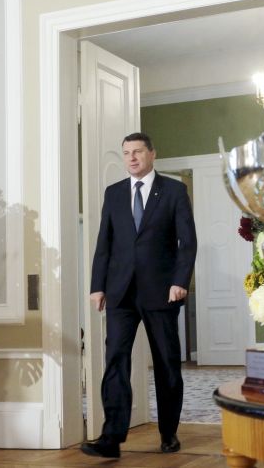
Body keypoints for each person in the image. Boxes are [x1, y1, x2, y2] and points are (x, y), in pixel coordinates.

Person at [80, 132, 197, 459]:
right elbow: (104, 244)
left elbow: (187, 242)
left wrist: (180, 281)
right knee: (115, 361)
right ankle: (111, 438)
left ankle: (168, 433)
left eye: (137, 152)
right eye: (126, 152)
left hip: (162, 291)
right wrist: (97, 285)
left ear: (152, 154)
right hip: (120, 293)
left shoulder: (174, 191)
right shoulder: (114, 193)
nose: (131, 158)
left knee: (166, 363)